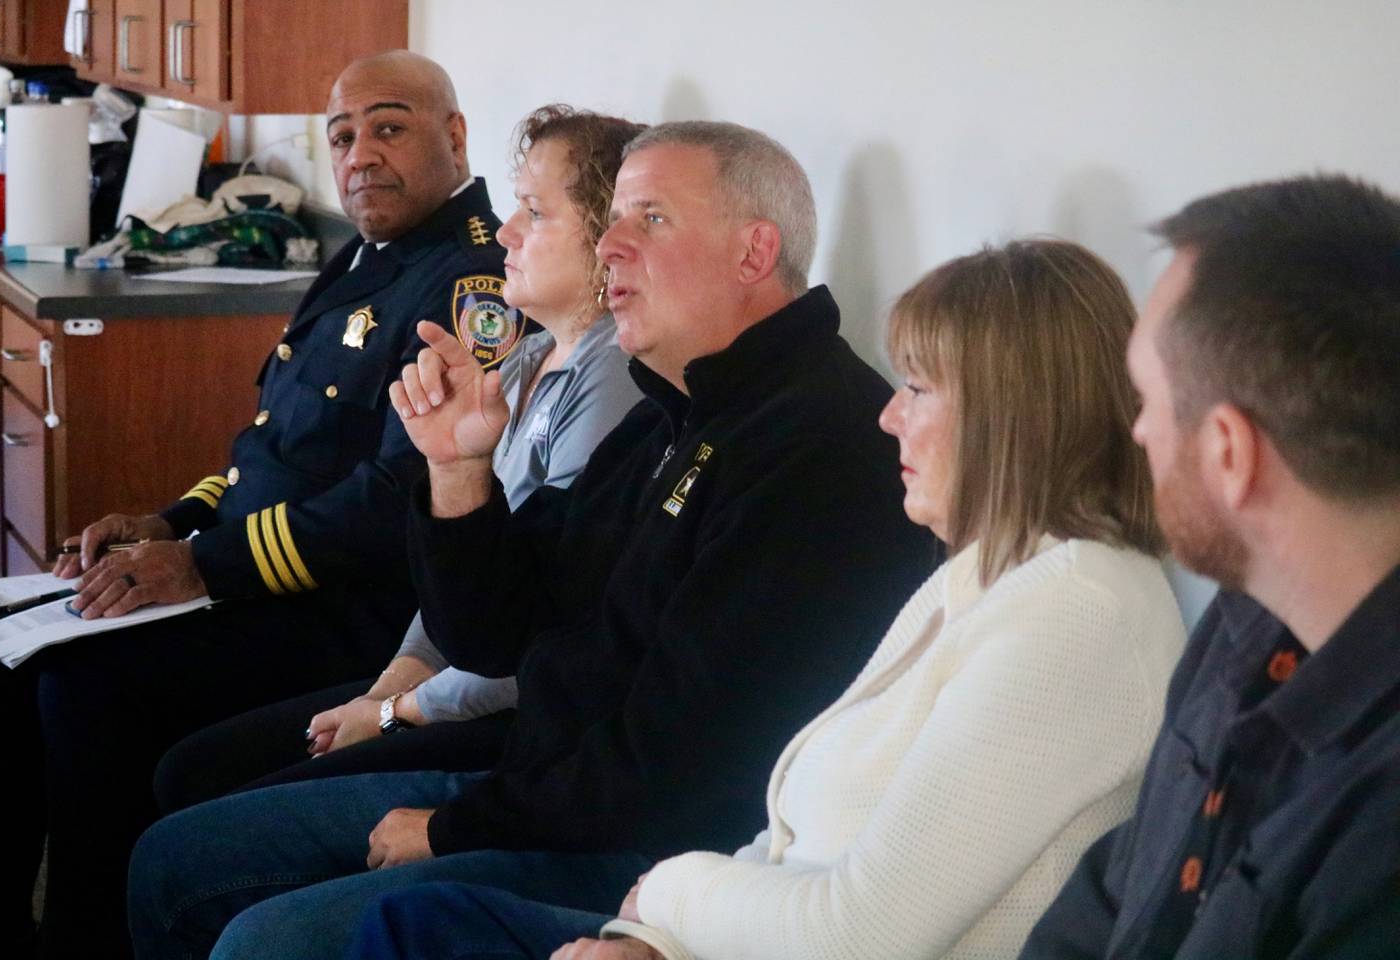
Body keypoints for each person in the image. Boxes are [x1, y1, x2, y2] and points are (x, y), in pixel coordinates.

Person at [127, 120, 938, 960]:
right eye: (615, 218)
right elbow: (492, 633)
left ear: (753, 251)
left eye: (651, 219)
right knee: (174, 859)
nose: (612, 245)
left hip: (655, 852)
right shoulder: (679, 407)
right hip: (547, 783)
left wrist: (452, 827)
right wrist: (457, 471)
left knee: (263, 943)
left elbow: (679, 766)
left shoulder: (819, 448)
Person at [336, 238, 1191, 960]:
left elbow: (865, 929)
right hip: (707, 915)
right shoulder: (987, 568)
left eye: (920, 390)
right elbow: (792, 838)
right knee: (418, 922)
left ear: (1017, 415)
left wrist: (664, 894)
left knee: (394, 931)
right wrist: (653, 937)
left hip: (707, 895)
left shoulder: (1078, 611)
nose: (890, 417)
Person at [0, 51, 526, 960]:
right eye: (342, 137)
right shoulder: (364, 255)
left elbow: (395, 500)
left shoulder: (471, 282)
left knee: (79, 689)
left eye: (389, 127)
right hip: (253, 567)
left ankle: (87, 939)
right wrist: (173, 521)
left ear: (454, 137)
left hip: (349, 609)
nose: (360, 156)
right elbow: (270, 450)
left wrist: (201, 563)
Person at [149, 105, 648, 814]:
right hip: (444, 677)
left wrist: (393, 714)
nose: (507, 232)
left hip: (515, 723)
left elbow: (545, 634)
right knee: (191, 770)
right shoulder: (525, 356)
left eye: (534, 213)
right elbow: (460, 586)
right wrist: (391, 685)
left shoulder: (613, 380)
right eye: (343, 136)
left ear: (607, 237)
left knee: (198, 795)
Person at [1017, 175, 1400, 958]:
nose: (1138, 431)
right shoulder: (1245, 619)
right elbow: (1110, 898)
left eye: (1150, 400)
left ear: (1230, 454)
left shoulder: (1381, 828)